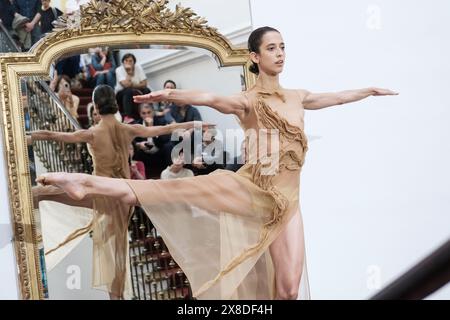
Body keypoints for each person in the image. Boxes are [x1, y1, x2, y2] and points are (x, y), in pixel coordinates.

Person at [36, 27, 398, 300]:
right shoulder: (247, 101)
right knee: (170, 190)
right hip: (252, 189)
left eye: (283, 47)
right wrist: (171, 94)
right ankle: (84, 182)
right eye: (272, 48)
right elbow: (209, 97)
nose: (280, 53)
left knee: (288, 290)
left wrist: (366, 91)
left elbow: (332, 97)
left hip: (289, 204)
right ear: (255, 57)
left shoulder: (298, 96)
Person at [31, 84, 212, 299]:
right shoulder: (128, 129)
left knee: (39, 194)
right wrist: (195, 123)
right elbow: (161, 129)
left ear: (97, 106)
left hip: (100, 192)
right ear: (115, 104)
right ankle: (116, 296)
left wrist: (29, 136)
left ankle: (30, 201)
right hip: (123, 196)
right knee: (117, 250)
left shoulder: (92, 133)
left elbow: (53, 135)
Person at [115, 53, 151, 122]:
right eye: (126, 61)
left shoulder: (138, 67)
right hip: (121, 93)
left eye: (130, 61)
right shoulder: (118, 70)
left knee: (147, 90)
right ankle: (128, 116)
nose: (128, 62)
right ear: (123, 62)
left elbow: (144, 83)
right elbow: (125, 85)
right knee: (128, 91)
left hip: (136, 90)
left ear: (134, 62)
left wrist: (133, 85)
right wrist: (128, 72)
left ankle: (148, 111)